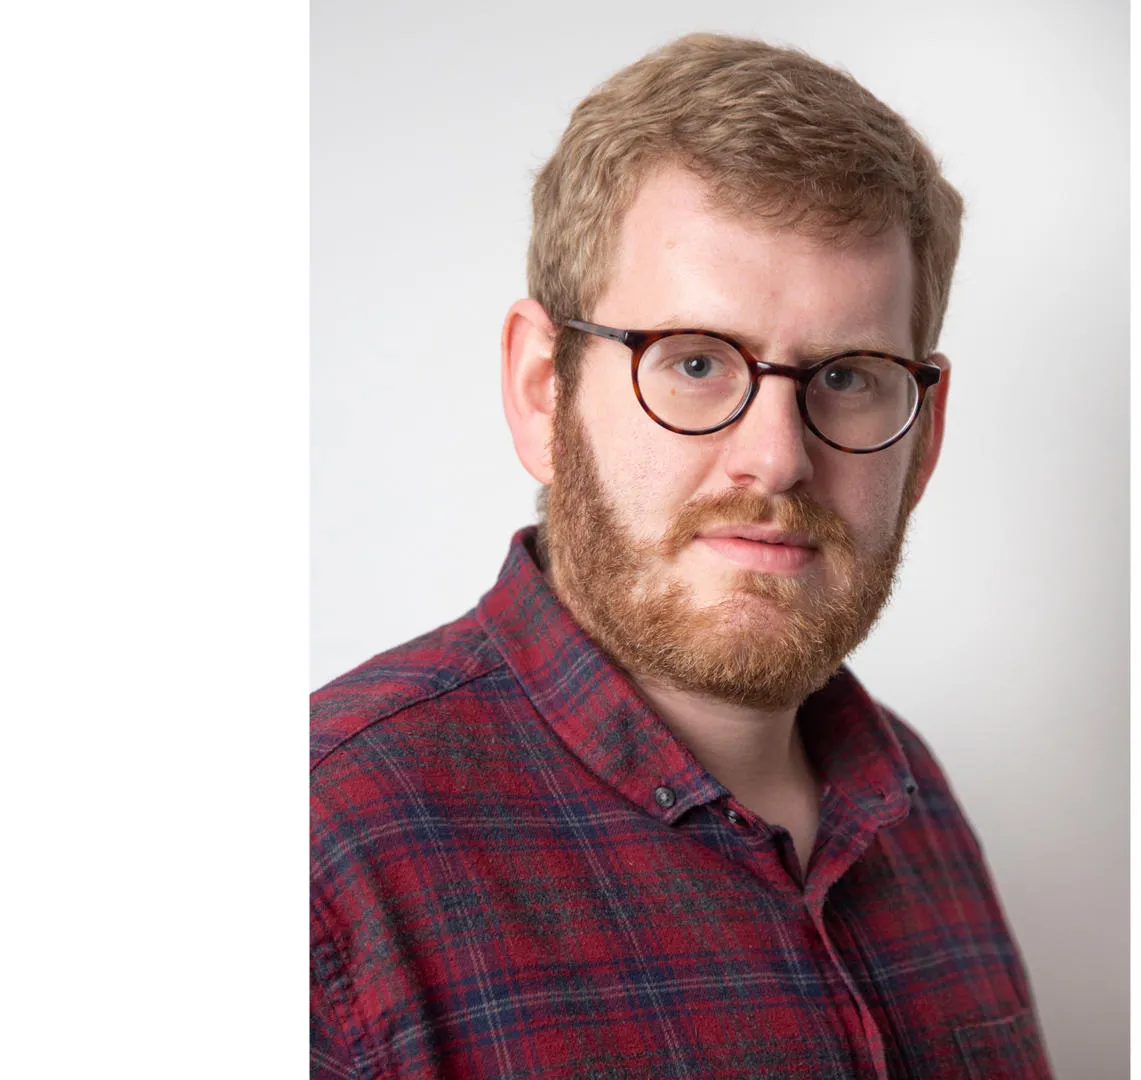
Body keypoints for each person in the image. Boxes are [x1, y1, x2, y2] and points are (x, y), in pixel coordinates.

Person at [311, 33, 1052, 1080]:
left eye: (847, 377)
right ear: (542, 388)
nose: (778, 459)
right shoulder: (323, 855)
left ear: (923, 437)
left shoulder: (915, 805)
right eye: (697, 361)